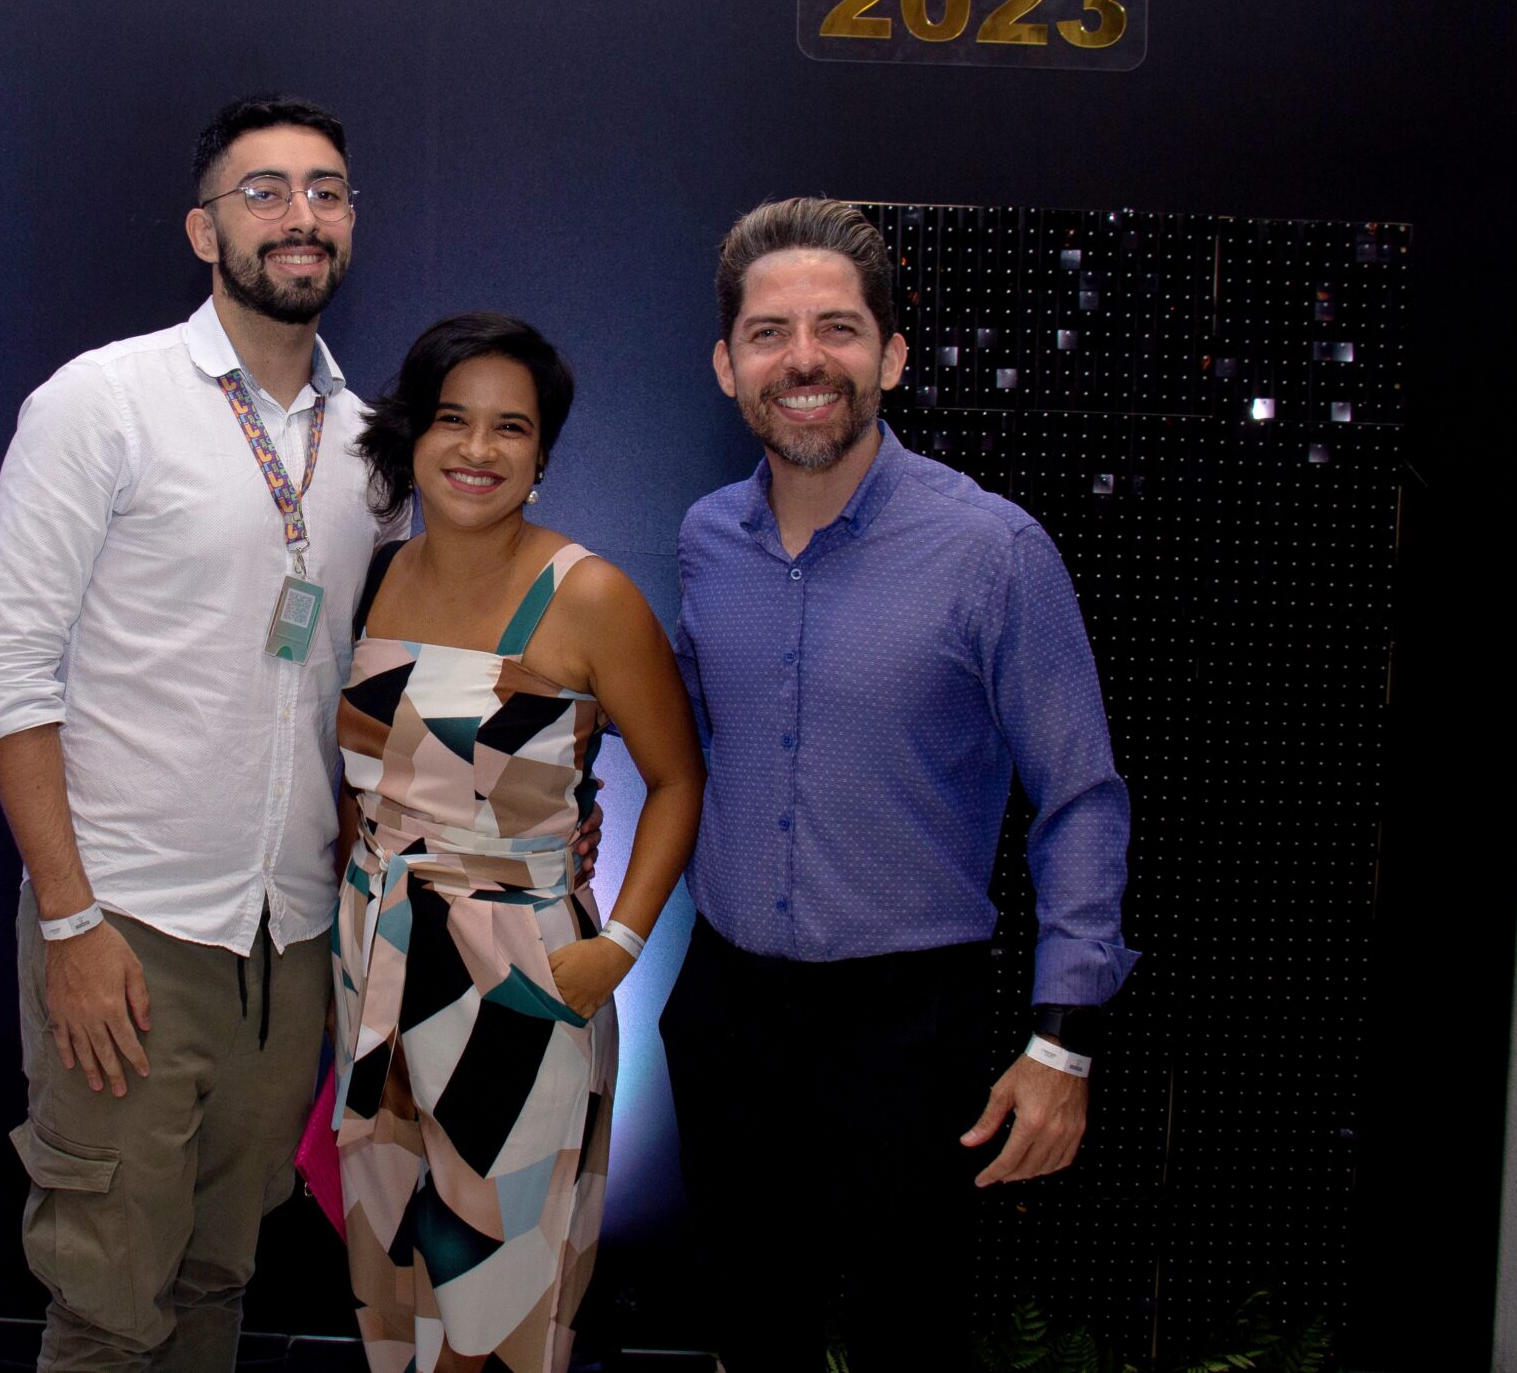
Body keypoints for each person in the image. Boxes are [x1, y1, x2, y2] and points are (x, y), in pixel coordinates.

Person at [661, 198, 1139, 1372]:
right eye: (769, 334)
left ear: (891, 356)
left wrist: (1062, 1044)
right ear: (725, 367)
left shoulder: (993, 551)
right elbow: (691, 745)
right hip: (727, 1012)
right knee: (747, 1336)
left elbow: (1080, 798)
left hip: (909, 1030)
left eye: (837, 328)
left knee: (906, 1344)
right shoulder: (704, 540)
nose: (804, 360)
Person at [0, 96, 395, 1373]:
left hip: (290, 942)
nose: (300, 215)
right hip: (127, 930)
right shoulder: (103, 402)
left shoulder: (373, 447)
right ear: (204, 231)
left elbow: (385, 682)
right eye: (265, 192)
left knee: (219, 1281)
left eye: (326, 191)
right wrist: (70, 926)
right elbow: (4, 675)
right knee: (107, 1305)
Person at [333, 313, 704, 1373]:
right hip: (373, 962)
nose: (477, 449)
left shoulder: (588, 595)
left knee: (498, 1297)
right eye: (452, 419)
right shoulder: (372, 575)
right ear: (413, 433)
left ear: (543, 455)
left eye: (511, 427)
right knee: (386, 1280)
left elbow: (678, 779)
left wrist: (616, 948)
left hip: (518, 989)